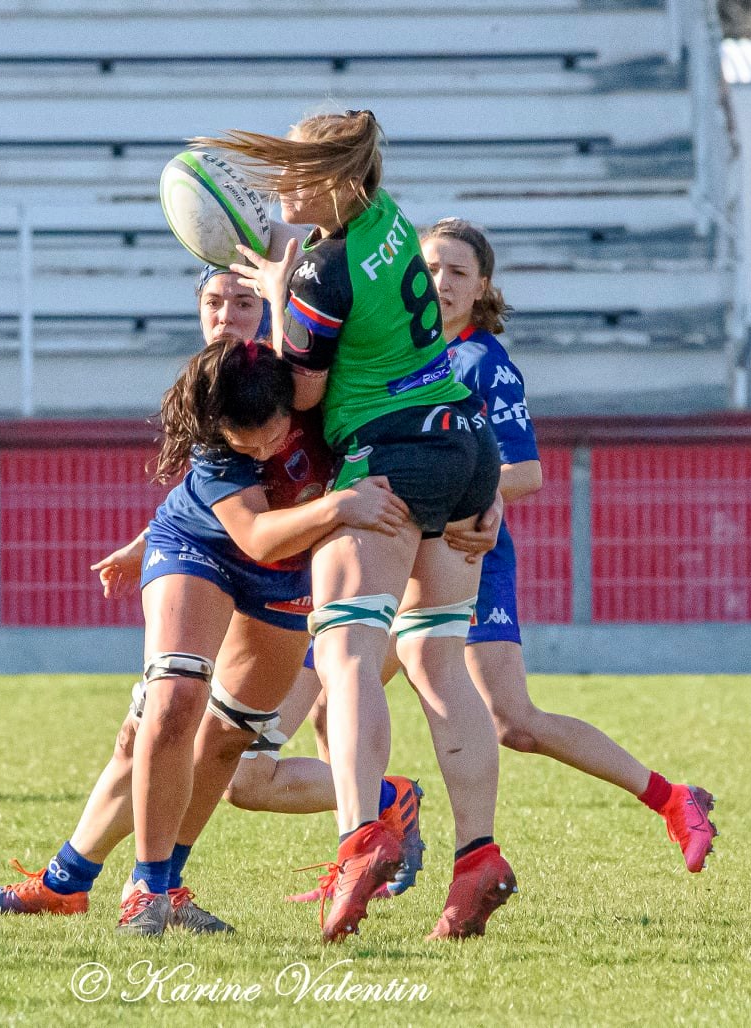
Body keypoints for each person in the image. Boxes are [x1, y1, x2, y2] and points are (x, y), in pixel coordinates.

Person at [0, 332, 421, 937]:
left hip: (283, 579)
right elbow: (257, 535)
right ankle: (145, 890)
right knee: (174, 702)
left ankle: (127, 885)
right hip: (199, 549)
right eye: (245, 439)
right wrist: (340, 505)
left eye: (271, 432)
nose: (260, 447)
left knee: (229, 741)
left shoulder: (316, 395)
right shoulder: (213, 444)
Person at [202, 109, 512, 941]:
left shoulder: (322, 272)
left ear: (339, 178)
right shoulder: (389, 224)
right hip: (465, 447)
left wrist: (276, 299)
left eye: (295, 173)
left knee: (344, 656)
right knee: (439, 662)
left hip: (389, 460)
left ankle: (358, 841)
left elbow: (298, 395)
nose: (280, 189)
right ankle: (477, 857)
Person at [421, 218, 718, 871]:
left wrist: (439, 495)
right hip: (400, 554)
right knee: (337, 692)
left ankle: (672, 800)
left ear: (482, 287)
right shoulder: (400, 354)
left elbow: (526, 473)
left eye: (457, 272)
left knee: (513, 722)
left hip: (465, 556)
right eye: (431, 268)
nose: (440, 282)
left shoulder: (481, 362)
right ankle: (378, 839)